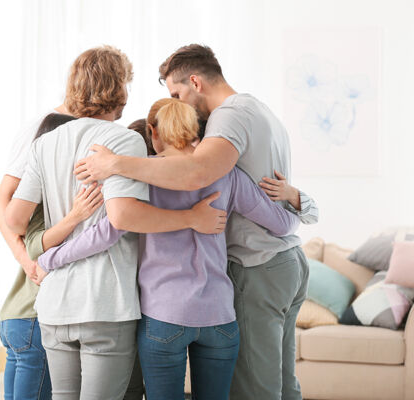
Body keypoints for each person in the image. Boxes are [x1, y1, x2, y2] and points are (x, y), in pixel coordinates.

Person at [73, 44, 319, 400]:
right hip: (268, 275)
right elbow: (283, 223)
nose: (180, 103)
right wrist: (300, 201)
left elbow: (195, 174)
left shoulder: (226, 119)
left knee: (257, 391)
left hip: (240, 277)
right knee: (283, 383)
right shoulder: (258, 116)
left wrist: (116, 165)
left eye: (177, 94)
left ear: (194, 82)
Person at [33, 98, 302, 399]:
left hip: (164, 317)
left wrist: (49, 258)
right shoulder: (228, 174)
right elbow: (281, 225)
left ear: (153, 132)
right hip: (220, 317)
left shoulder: (141, 172)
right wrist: (295, 196)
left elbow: (107, 232)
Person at [4, 45, 227, 400]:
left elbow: (15, 218)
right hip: (104, 305)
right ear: (120, 89)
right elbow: (123, 216)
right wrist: (190, 218)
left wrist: (58, 235)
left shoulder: (45, 143)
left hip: (54, 305)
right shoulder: (124, 140)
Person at [0, 112, 107, 400]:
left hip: (14, 317)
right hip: (34, 317)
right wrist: (76, 216)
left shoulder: (35, 196)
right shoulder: (46, 200)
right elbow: (36, 245)